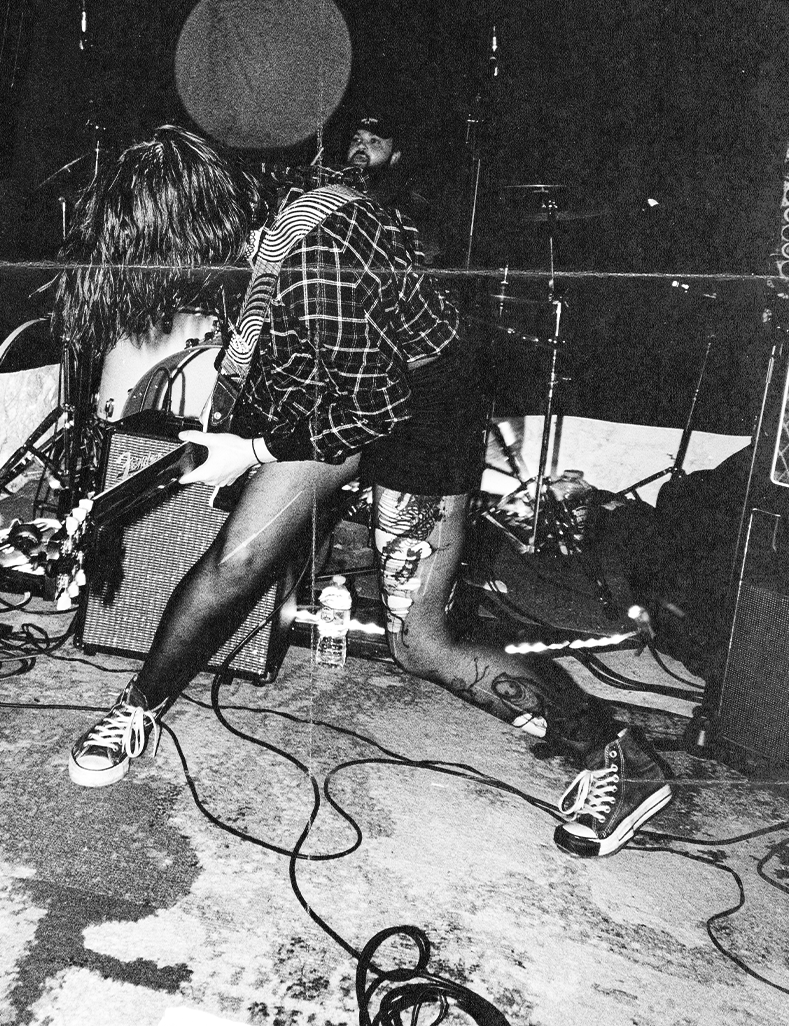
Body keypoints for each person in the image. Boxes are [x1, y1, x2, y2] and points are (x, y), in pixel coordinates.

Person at [56, 123, 671, 857]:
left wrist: (251, 450)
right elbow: (287, 352)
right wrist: (234, 442)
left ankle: (618, 751)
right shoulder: (262, 227)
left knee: (421, 644)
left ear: (195, 228)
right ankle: (138, 709)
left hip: (422, 405)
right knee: (239, 557)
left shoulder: (312, 260)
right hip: (343, 389)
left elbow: (375, 407)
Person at [344, 116, 444, 264]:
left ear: (394, 156)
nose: (361, 146)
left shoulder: (413, 205)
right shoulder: (328, 185)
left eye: (374, 141)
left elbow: (426, 264)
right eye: (356, 139)